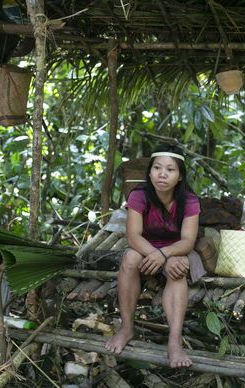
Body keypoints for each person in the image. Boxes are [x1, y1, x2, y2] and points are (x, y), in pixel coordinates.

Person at [104, 144, 203, 368]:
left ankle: (174, 341)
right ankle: (127, 328)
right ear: (149, 172)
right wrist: (156, 255)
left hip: (176, 249)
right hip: (145, 248)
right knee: (129, 258)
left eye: (170, 169)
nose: (162, 174)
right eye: (157, 168)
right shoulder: (139, 195)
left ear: (179, 176)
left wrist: (165, 255)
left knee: (177, 269)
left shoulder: (188, 200)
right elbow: (133, 236)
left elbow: (187, 241)